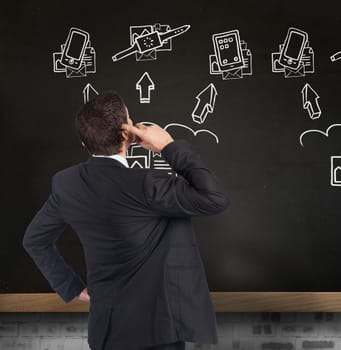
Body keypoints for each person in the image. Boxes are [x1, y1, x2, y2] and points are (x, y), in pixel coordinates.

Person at [22, 91, 230, 350]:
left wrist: (72, 287)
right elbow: (215, 198)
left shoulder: (66, 184)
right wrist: (167, 145)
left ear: (85, 141)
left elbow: (35, 240)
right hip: (158, 332)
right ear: (126, 134)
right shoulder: (147, 185)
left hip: (106, 331)